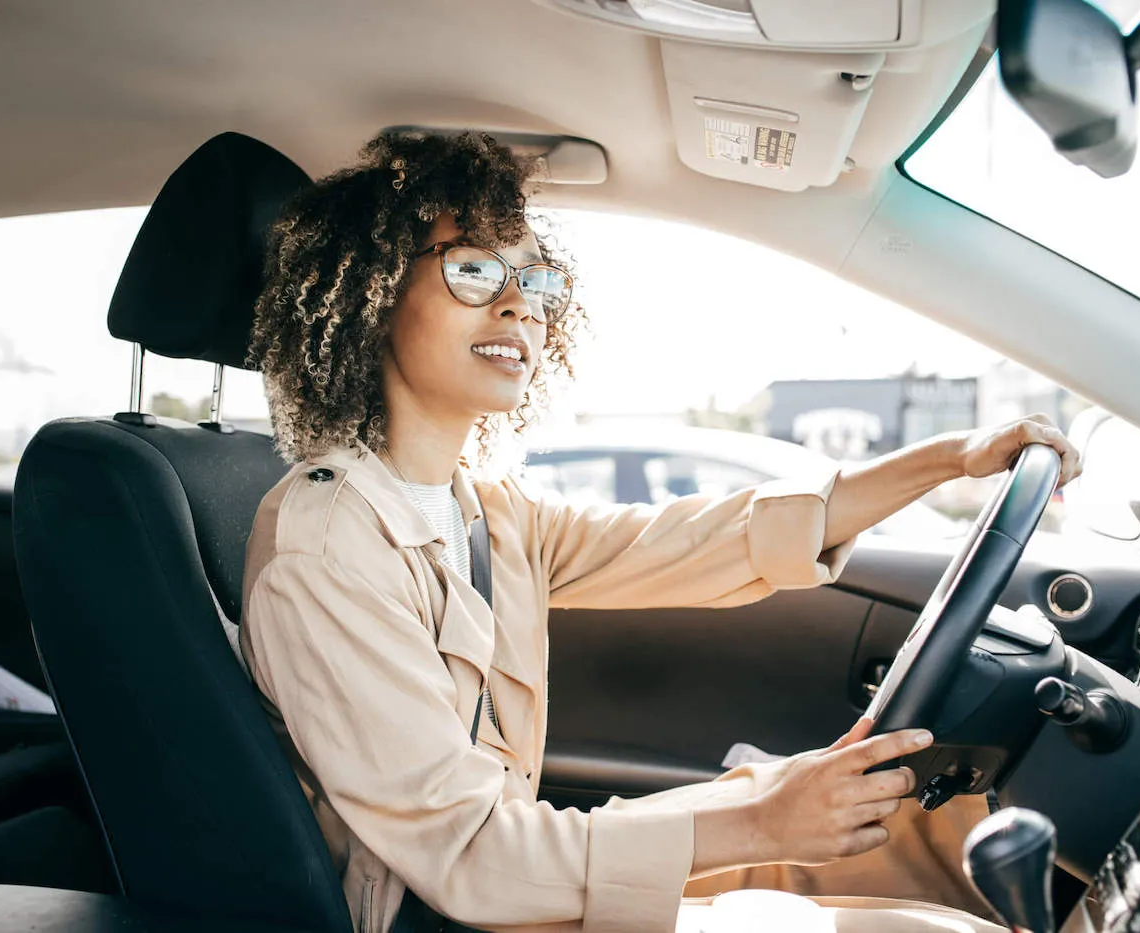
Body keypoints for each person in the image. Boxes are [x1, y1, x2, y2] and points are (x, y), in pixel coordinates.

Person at [239, 131, 1082, 933]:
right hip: (445, 914)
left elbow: (697, 539)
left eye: (534, 282)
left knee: (905, 857)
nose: (518, 306)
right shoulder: (326, 543)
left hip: (505, 892)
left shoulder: (481, 508)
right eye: (472, 270)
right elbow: (468, 855)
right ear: (371, 294)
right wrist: (763, 823)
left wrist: (951, 461)